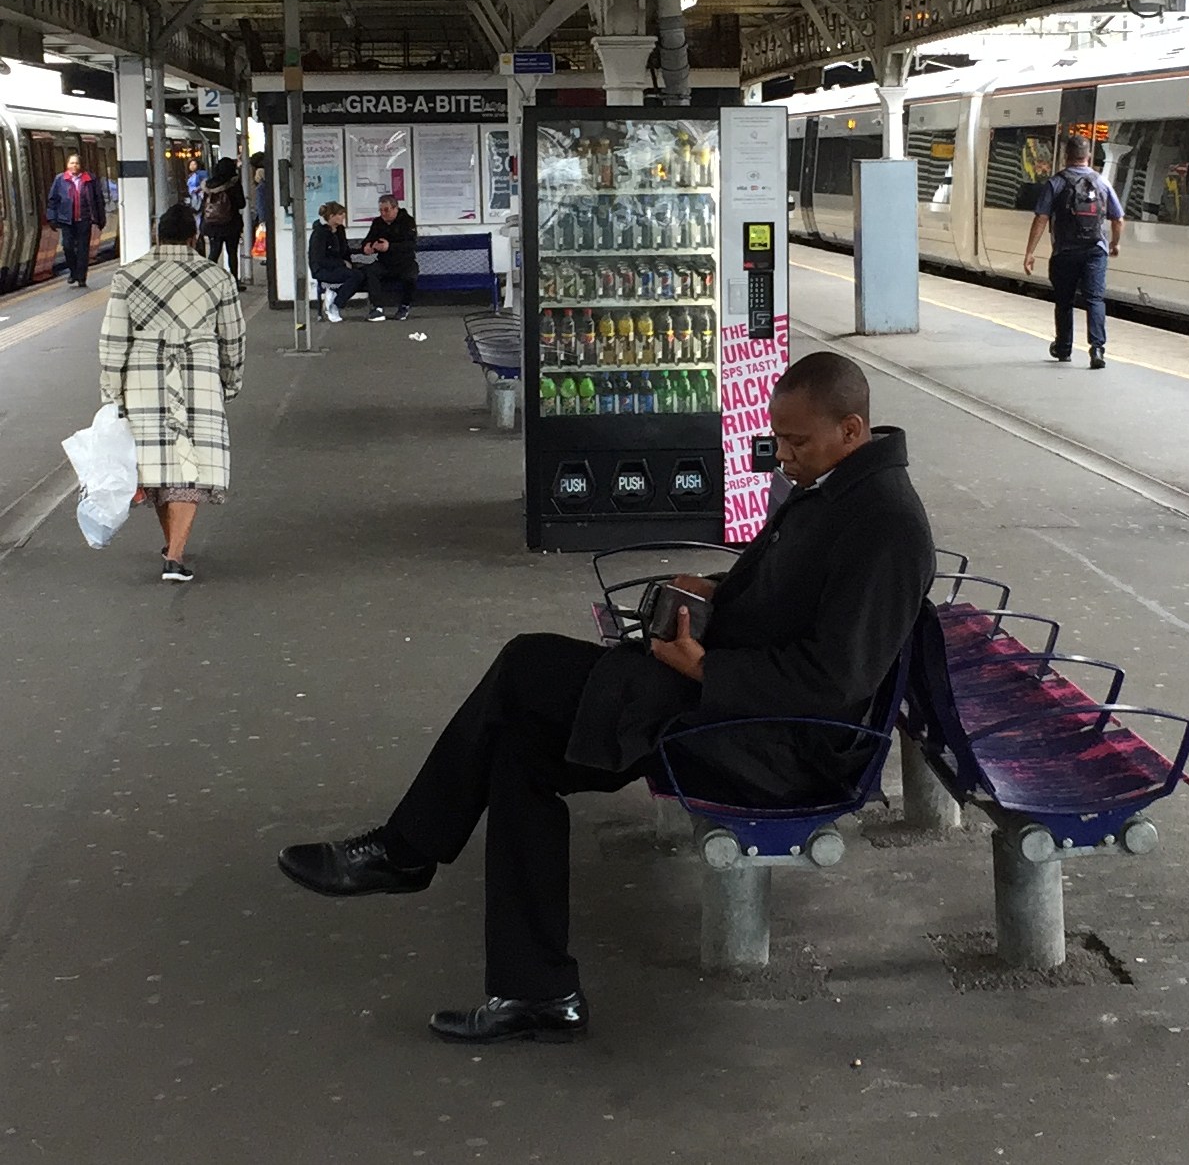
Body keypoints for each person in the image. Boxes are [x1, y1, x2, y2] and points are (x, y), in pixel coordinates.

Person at [278, 351, 935, 1044]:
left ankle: (407, 853)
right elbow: (787, 591)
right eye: (781, 440)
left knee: (527, 665)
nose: (784, 457)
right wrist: (717, 590)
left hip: (773, 743)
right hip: (734, 707)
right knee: (521, 749)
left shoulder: (885, 526)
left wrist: (704, 667)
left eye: (798, 443)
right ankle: (535, 994)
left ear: (853, 429)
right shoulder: (838, 490)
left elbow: (836, 679)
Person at [99, 203, 247, 584]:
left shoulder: (127, 277)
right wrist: (231, 379)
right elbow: (233, 335)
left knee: (159, 467)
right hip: (198, 371)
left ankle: (173, 548)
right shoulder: (217, 277)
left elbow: (113, 338)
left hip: (143, 375)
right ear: (193, 238)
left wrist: (112, 390)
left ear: (157, 235)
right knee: (191, 465)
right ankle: (175, 554)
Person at [1022, 136, 1124, 370]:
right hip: (1095, 251)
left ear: (1066, 156)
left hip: (1065, 251)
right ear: (1088, 156)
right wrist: (1115, 244)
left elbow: (1041, 218)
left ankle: (1064, 348)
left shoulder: (1056, 183)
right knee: (1095, 299)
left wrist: (1030, 252)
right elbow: (1118, 219)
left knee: (1064, 301)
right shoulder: (1102, 183)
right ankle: (1097, 349)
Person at [46, 152, 107, 289]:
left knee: (83, 249)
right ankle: (73, 272)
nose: (74, 166)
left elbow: (98, 199)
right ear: (67, 165)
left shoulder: (90, 179)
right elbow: (53, 200)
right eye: (72, 163)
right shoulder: (60, 180)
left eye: (77, 163)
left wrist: (100, 218)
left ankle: (81, 277)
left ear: (81, 165)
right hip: (66, 220)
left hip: (84, 220)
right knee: (67, 246)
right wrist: (51, 217)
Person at [359, 193, 419, 322]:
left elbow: (410, 244)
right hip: (385, 262)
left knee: (411, 277)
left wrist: (389, 247)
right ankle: (377, 308)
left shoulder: (407, 221)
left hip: (405, 262)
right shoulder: (377, 223)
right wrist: (366, 247)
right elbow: (368, 240)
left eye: (386, 210)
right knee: (370, 271)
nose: (383, 213)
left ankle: (404, 306)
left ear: (395, 208)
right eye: (381, 210)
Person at [308, 201, 365, 322]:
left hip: (338, 267)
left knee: (362, 274)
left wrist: (352, 262)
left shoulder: (339, 230)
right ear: (331, 216)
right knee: (356, 276)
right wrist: (343, 263)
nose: (343, 217)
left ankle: (333, 294)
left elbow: (344, 250)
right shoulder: (319, 234)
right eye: (340, 214)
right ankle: (335, 305)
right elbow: (319, 259)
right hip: (322, 269)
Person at [200, 159, 247, 283]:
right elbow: (241, 204)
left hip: (212, 226)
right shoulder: (234, 183)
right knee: (232, 253)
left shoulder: (208, 185)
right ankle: (234, 281)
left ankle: (208, 280)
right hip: (231, 224)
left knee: (214, 252)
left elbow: (204, 206)